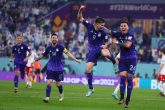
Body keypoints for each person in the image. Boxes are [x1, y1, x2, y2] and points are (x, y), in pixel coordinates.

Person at [77, 5, 118, 97]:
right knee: (87, 70)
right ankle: (91, 89)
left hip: (101, 47)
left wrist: (107, 44)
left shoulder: (104, 30)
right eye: (102, 25)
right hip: (92, 50)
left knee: (104, 52)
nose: (103, 26)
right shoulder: (89, 26)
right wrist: (80, 10)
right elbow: (80, 18)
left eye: (104, 25)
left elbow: (111, 37)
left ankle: (114, 63)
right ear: (96, 24)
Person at [36, 33, 81, 102]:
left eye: (55, 38)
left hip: (59, 67)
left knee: (58, 84)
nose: (54, 39)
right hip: (51, 67)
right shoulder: (48, 47)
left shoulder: (61, 47)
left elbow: (68, 53)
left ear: (57, 39)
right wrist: (36, 59)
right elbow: (42, 55)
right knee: (49, 82)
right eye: (53, 38)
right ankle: (47, 97)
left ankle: (61, 93)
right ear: (51, 39)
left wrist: (75, 59)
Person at [112, 20, 137, 108]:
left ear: (127, 27)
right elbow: (109, 32)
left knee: (129, 78)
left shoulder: (130, 35)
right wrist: (101, 27)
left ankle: (128, 100)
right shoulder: (117, 34)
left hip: (131, 58)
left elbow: (127, 45)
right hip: (122, 58)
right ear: (120, 27)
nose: (123, 27)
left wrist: (117, 42)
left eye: (124, 26)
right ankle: (122, 97)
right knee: (122, 77)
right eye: (122, 26)